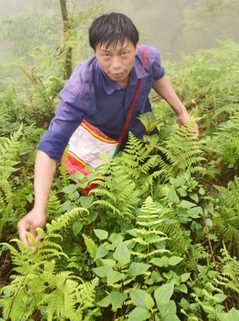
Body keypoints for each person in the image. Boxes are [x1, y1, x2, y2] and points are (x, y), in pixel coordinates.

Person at [17, 12, 197, 246]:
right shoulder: (81, 86)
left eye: (124, 53)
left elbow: (158, 76)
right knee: (99, 187)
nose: (116, 65)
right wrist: (39, 209)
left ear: (135, 47)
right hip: (102, 134)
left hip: (142, 122)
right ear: (95, 52)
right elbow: (51, 145)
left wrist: (181, 112)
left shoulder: (148, 57)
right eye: (106, 55)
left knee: (150, 156)